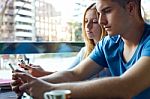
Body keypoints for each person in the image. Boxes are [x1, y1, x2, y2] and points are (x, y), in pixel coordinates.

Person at [11, 0, 150, 99]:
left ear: (131, 8)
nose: (101, 21)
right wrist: (33, 83)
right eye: (99, 13)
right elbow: (74, 74)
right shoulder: (108, 44)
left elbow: (126, 86)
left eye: (107, 11)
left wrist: (49, 89)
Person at [18, 3, 110, 78]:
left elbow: (72, 77)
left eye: (94, 22)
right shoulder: (85, 51)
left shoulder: (111, 51)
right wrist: (41, 72)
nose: (87, 26)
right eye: (86, 21)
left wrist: (42, 74)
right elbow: (69, 74)